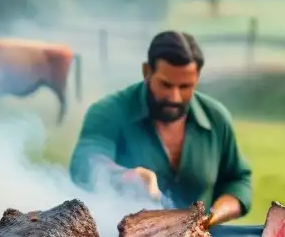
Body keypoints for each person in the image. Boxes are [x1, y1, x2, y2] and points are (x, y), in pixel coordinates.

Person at [69, 30, 252, 225]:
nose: (175, 97)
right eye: (166, 85)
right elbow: (85, 164)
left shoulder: (216, 118)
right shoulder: (108, 112)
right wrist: (129, 177)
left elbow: (238, 180)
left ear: (197, 77)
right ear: (146, 71)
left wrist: (214, 216)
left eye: (185, 87)